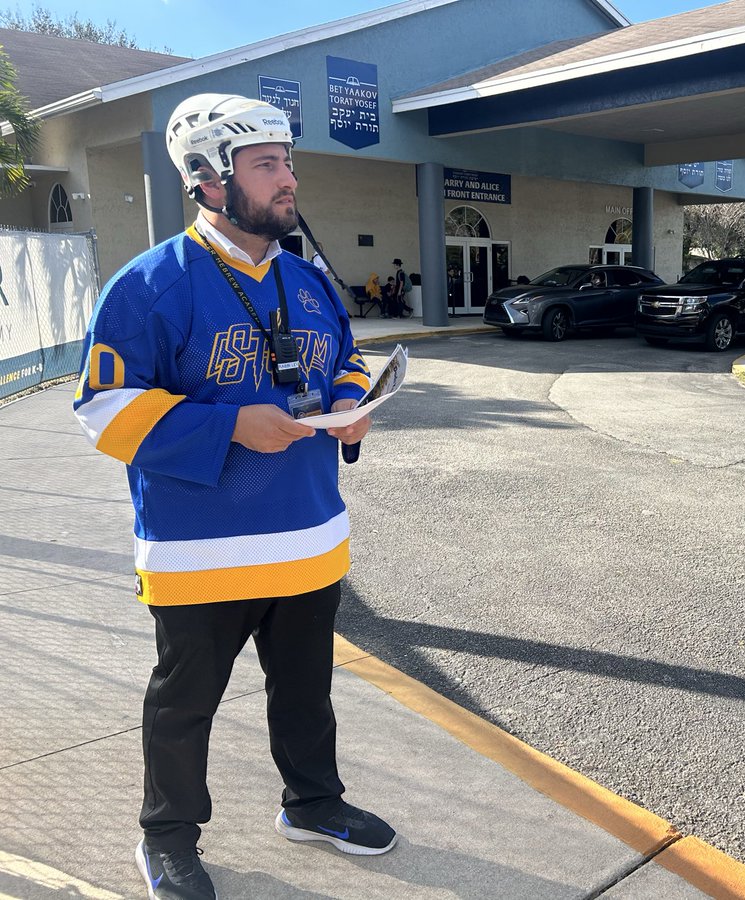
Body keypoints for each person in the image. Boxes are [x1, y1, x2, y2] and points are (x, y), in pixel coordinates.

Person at [72, 93, 396, 900]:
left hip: (310, 540)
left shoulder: (308, 280)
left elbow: (345, 364)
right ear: (207, 179)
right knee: (183, 706)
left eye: (287, 163)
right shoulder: (147, 286)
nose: (288, 181)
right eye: (266, 165)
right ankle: (170, 839)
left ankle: (314, 803)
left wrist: (353, 410)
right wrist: (227, 427)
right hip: (199, 552)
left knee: (307, 693)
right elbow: (103, 410)